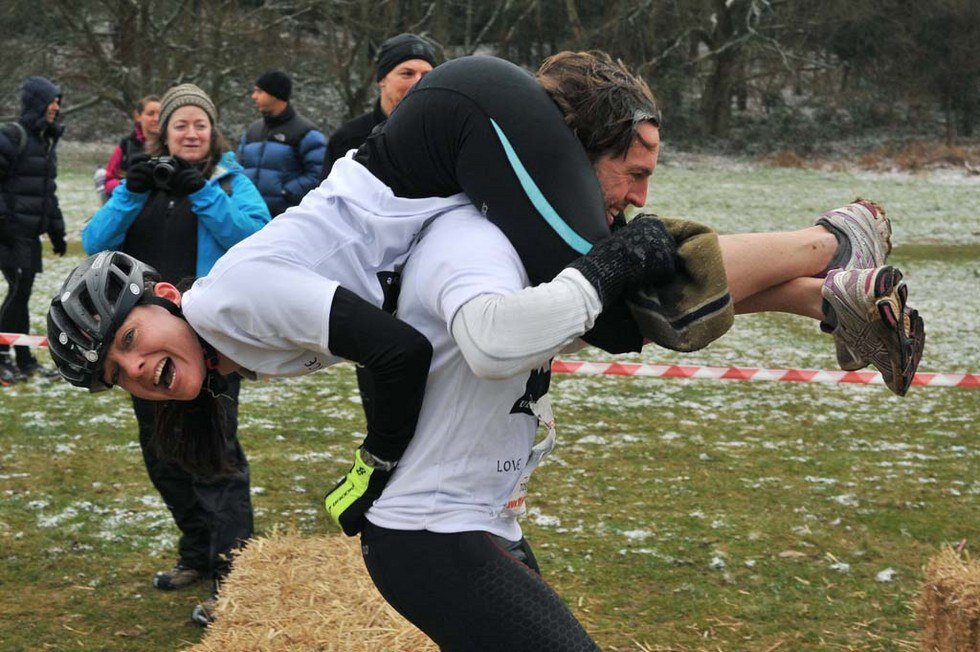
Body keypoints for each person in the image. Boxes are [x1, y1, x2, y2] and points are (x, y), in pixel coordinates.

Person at [81, 83, 271, 626]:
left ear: (213, 132)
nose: (191, 133)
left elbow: (254, 240)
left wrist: (204, 191)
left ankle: (234, 578)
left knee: (216, 459)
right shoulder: (142, 183)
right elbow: (96, 242)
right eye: (180, 124)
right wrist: (129, 193)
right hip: (141, 346)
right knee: (161, 456)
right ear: (161, 131)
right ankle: (195, 552)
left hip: (208, 345)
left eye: (200, 124)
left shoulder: (231, 181)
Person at [0, 75, 66, 385]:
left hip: (29, 235)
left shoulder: (44, 141)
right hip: (10, 234)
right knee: (16, 292)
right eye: (52, 100)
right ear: (38, 103)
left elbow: (47, 192)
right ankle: (2, 360)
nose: (56, 107)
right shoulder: (12, 136)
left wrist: (57, 231)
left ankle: (25, 360)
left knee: (22, 295)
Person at [318, 33, 437, 180]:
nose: (418, 82)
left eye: (427, 75)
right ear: (382, 80)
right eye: (407, 73)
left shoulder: (443, 136)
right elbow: (329, 197)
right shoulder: (349, 137)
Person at [237, 70, 326, 216]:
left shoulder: (306, 133)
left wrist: (286, 192)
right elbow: (238, 167)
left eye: (259, 91)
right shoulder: (253, 130)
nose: (254, 96)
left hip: (285, 219)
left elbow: (318, 173)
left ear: (275, 94)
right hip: (250, 216)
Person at [102, 95, 161, 200]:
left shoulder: (172, 145)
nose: (156, 119)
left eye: (160, 114)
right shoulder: (126, 145)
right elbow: (108, 181)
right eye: (150, 114)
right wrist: (128, 185)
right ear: (138, 116)